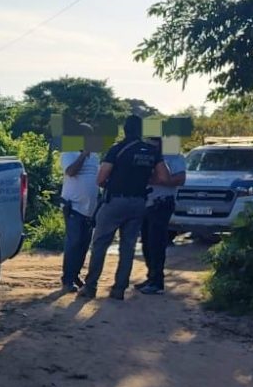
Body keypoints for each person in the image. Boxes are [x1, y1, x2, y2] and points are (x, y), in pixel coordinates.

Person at [79, 115, 172, 300]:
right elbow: (164, 177)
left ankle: (90, 287)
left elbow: (100, 178)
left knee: (100, 245)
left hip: (115, 202)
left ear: (125, 130)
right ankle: (119, 289)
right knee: (127, 248)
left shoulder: (117, 149)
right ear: (141, 131)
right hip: (138, 203)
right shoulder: (151, 152)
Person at [137, 138, 186, 295]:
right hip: (146, 203)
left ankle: (157, 282)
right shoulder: (146, 156)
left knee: (156, 243)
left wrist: (159, 180)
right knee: (146, 242)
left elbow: (180, 179)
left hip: (162, 203)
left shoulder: (173, 156)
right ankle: (151, 276)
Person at [59, 123, 100, 292]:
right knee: (73, 242)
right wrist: (83, 155)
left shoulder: (95, 156)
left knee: (84, 244)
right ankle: (67, 279)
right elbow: (70, 172)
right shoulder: (68, 153)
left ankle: (75, 274)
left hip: (90, 209)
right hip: (73, 207)